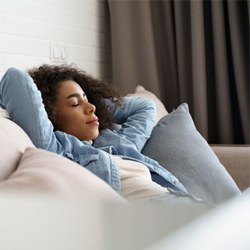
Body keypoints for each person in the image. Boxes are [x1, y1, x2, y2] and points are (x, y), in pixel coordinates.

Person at [0, 65, 207, 205]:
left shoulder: (118, 143)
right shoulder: (58, 148)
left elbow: (145, 107)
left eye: (87, 99)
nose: (90, 107)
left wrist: (99, 104)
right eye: (74, 103)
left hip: (185, 203)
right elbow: (15, 78)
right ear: (50, 115)